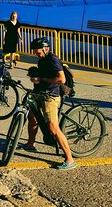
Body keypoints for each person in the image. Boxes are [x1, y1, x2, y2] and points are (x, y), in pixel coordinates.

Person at [22, 37, 76, 170]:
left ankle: (70, 159)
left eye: (38, 52)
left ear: (46, 49)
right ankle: (30, 144)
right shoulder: (42, 60)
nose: (36, 54)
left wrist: (42, 79)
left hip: (51, 96)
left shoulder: (53, 60)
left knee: (53, 127)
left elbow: (61, 79)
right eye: (35, 52)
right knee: (32, 118)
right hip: (40, 93)